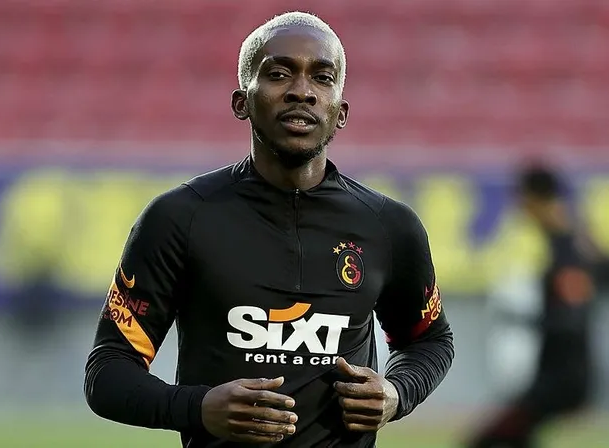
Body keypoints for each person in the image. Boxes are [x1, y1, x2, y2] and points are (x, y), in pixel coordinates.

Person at [84, 11, 455, 447]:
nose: (302, 91)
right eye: (279, 74)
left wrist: (397, 392)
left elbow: (430, 340)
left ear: (341, 112)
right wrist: (198, 407)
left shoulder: (389, 227)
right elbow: (107, 371)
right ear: (241, 102)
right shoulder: (180, 218)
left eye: (322, 78)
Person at [466, 164, 597, 448]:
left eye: (522, 198)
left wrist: (521, 319)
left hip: (563, 379)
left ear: (536, 199)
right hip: (557, 375)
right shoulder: (570, 243)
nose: (520, 206)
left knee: (485, 441)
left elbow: (571, 321)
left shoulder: (567, 250)